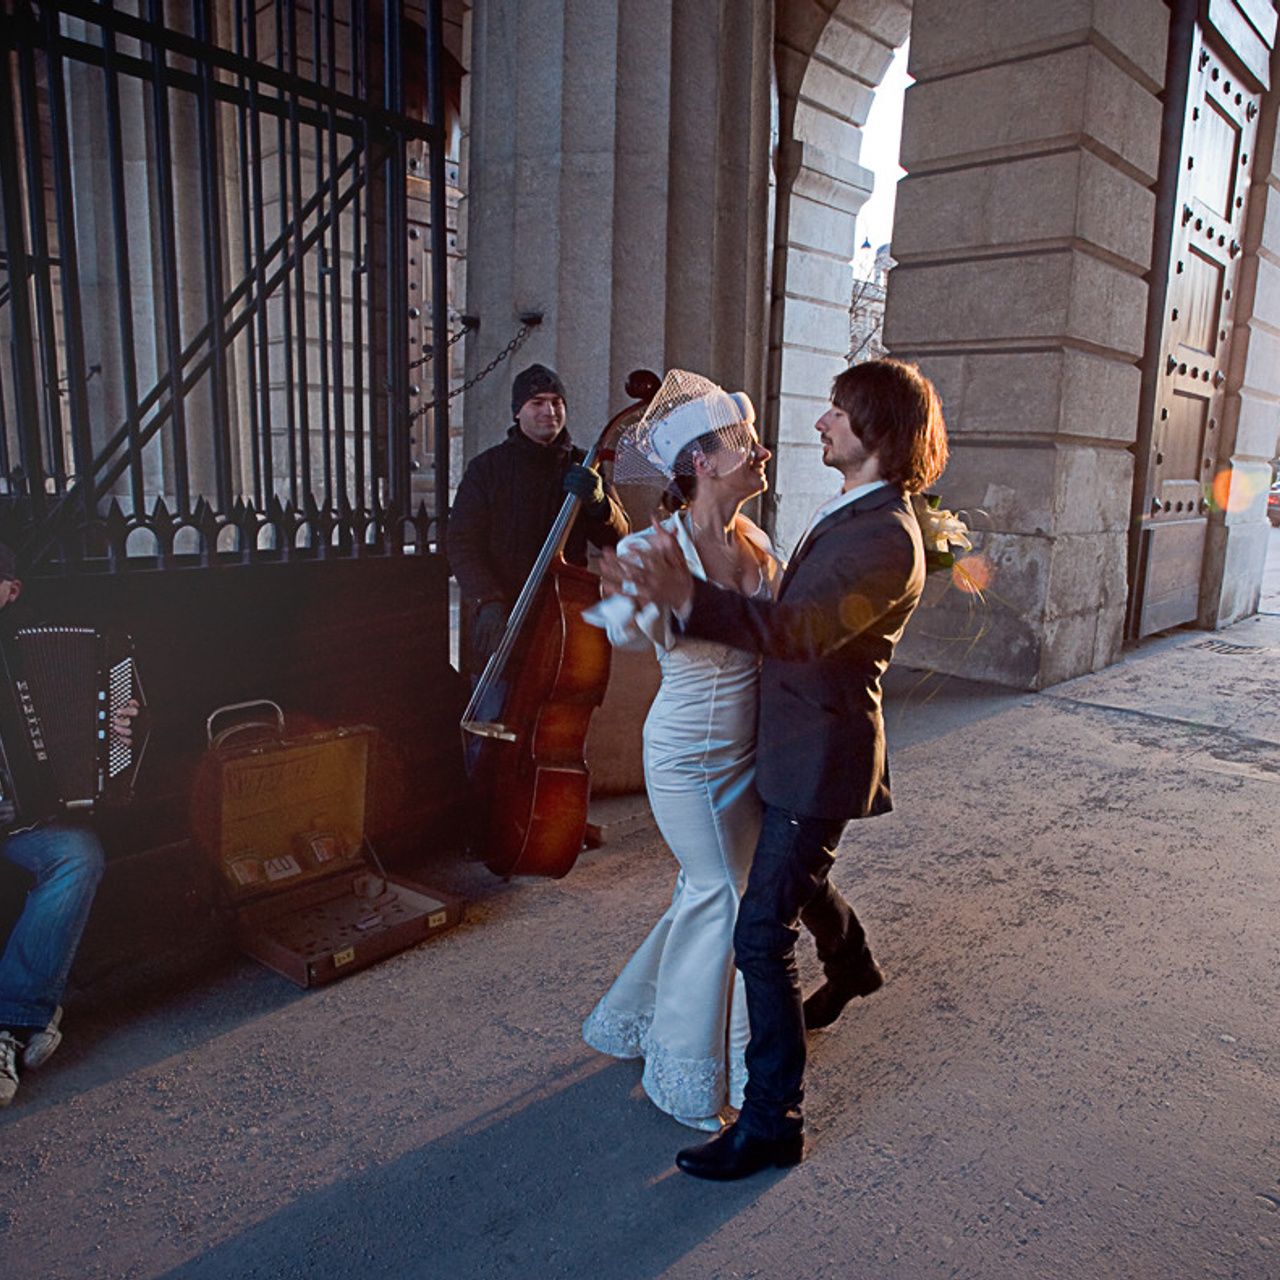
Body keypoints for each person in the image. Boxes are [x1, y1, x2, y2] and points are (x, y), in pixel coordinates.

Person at [606, 357, 948, 1180]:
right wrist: (649, 591)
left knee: (760, 926)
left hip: (813, 751)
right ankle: (851, 965)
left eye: (837, 413)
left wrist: (686, 596)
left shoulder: (881, 535)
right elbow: (629, 620)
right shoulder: (859, 512)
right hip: (746, 743)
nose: (818, 425)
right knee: (770, 885)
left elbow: (798, 630)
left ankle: (773, 1122)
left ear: (875, 432)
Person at [580, 370, 782, 1131]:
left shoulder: (755, 539)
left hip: (747, 750)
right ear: (702, 462)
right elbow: (624, 623)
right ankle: (691, 1078)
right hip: (688, 754)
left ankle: (638, 1020)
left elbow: (787, 626)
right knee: (723, 896)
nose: (760, 451)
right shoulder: (653, 546)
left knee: (713, 893)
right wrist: (630, 590)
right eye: (743, 443)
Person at [0, 545, 138, 1106]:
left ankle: (12, 1018)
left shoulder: (18, 651)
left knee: (79, 854)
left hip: (21, 821)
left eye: (8, 585)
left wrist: (115, 728)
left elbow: (90, 716)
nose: (9, 594)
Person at [446, 362, 630, 678]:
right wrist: (486, 600)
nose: (550, 411)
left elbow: (622, 540)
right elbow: (461, 544)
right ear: (518, 412)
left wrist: (600, 505)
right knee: (493, 714)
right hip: (501, 622)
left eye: (557, 402)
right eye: (537, 403)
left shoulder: (585, 466)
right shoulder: (487, 470)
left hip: (562, 623)